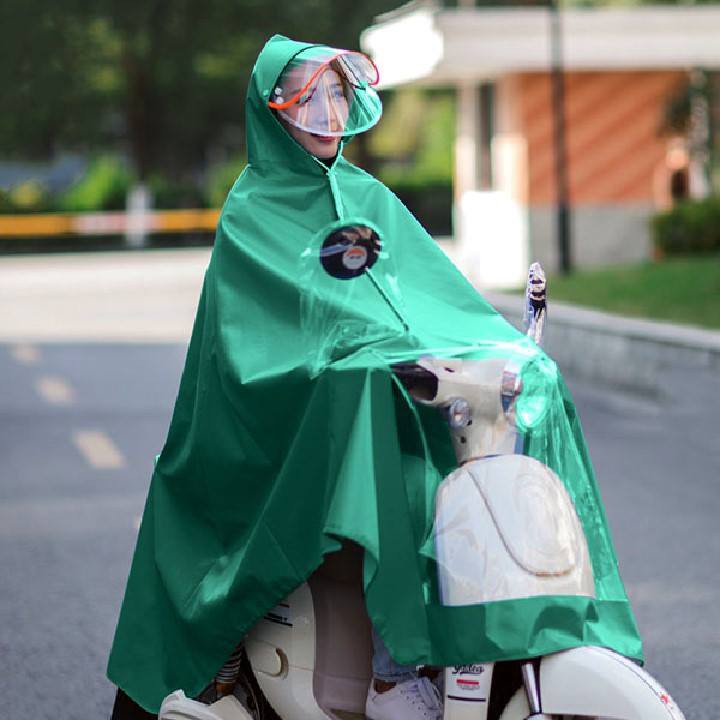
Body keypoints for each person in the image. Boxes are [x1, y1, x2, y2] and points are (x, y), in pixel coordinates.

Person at [108, 34, 642, 720]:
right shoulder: (253, 208)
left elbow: (434, 300)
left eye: (336, 96)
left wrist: (507, 349)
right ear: (273, 111)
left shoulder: (369, 197)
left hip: (381, 405)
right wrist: (351, 360)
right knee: (390, 487)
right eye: (308, 99)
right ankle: (390, 673)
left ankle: (475, 648)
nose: (326, 113)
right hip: (278, 426)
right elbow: (257, 343)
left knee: (449, 479)